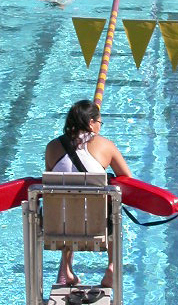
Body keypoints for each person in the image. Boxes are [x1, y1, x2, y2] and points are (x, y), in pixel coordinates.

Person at [45, 99, 132, 287]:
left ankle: (66, 270)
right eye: (100, 123)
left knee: (66, 205)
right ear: (91, 123)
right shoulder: (105, 146)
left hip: (57, 228)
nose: (100, 127)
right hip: (97, 228)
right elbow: (127, 179)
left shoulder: (52, 147)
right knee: (113, 205)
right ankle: (111, 266)